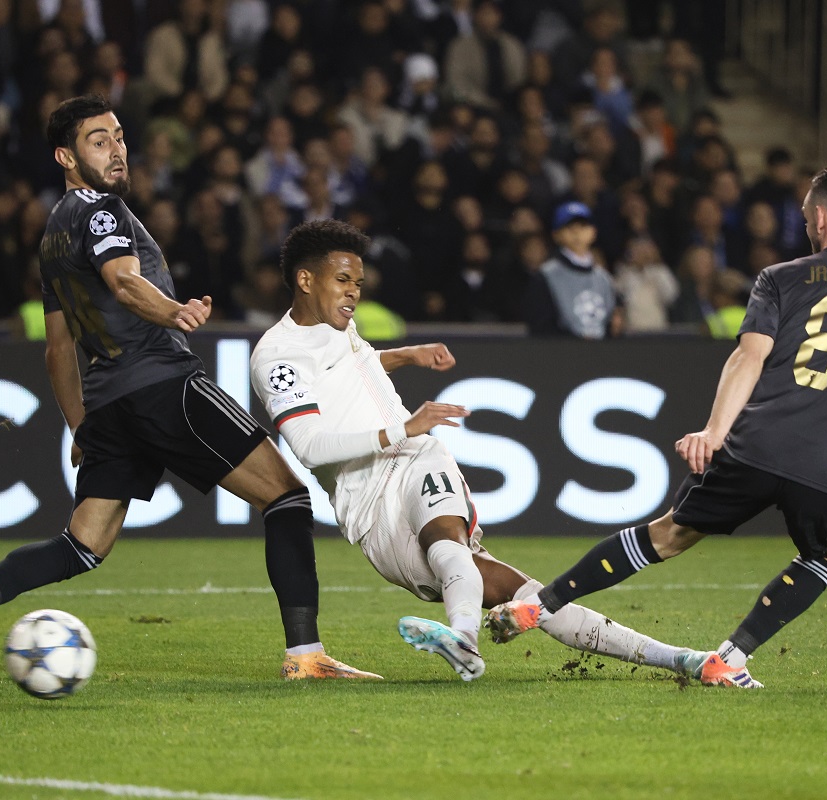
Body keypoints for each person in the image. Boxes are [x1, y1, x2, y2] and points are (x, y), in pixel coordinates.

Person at [485, 164, 827, 688]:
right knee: (826, 554)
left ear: (820, 220)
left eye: (805, 218)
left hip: (753, 447)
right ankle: (730, 658)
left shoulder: (779, 277)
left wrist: (714, 431)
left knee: (670, 533)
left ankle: (542, 604)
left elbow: (747, 359)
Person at [0, 95, 378, 682]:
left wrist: (81, 426)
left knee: (83, 546)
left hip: (108, 405)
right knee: (286, 496)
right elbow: (125, 282)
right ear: (65, 157)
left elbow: (58, 349)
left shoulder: (52, 236)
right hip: (163, 383)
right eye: (99, 141)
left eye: (120, 137)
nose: (117, 150)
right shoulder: (102, 212)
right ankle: (307, 657)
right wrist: (175, 311)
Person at [249, 218, 708, 682]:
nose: (353, 293)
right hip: (366, 507)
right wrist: (402, 427)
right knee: (528, 598)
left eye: (359, 283)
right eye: (343, 281)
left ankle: (677, 659)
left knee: (452, 543)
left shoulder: (338, 323)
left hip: (413, 458)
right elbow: (307, 446)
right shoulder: (279, 357)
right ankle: (468, 637)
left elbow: (349, 367)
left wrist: (407, 356)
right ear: (305, 280)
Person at [524, 201, 624, 338]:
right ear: (556, 235)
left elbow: (612, 325)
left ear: (593, 232)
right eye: (569, 227)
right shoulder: (545, 277)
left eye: (582, 226)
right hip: (562, 355)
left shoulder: (604, 279)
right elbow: (541, 328)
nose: (576, 232)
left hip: (600, 356)